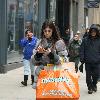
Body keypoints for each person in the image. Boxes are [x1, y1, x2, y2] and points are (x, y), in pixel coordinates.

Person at [31, 20, 68, 89]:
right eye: (45, 31)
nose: (47, 33)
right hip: (41, 77)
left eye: (49, 31)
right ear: (43, 31)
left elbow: (65, 60)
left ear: (53, 31)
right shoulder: (39, 42)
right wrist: (38, 55)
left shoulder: (59, 42)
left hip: (55, 77)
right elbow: (33, 62)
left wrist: (52, 55)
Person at [80, 24, 100, 94]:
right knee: (88, 77)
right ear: (90, 32)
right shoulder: (85, 40)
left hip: (97, 62)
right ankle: (90, 87)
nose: (93, 32)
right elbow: (82, 50)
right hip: (88, 62)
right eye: (92, 31)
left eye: (95, 31)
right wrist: (82, 59)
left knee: (96, 76)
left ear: (97, 32)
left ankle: (94, 85)